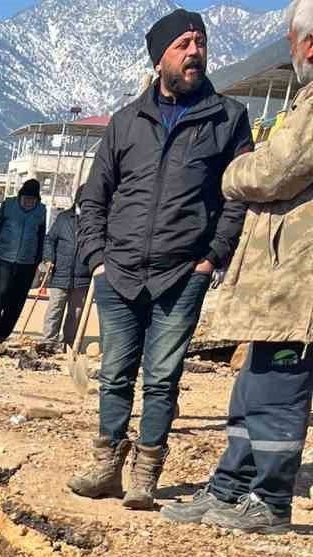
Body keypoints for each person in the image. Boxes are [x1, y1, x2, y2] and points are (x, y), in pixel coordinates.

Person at [71, 8, 253, 509]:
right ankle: (106, 464)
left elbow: (236, 199)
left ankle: (146, 473)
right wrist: (97, 259)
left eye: (200, 41)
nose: (195, 51)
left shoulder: (228, 119)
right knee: (114, 373)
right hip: (120, 271)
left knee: (162, 377)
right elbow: (95, 197)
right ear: (160, 59)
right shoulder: (126, 122)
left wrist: (212, 257)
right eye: (183, 44)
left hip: (182, 272)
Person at [163, 0, 313, 533]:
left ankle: (269, 500)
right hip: (276, 284)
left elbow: (279, 170)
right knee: (252, 385)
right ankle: (229, 489)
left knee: (278, 389)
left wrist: (234, 171)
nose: (291, 53)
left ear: (308, 45)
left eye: (292, 43)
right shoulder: (303, 100)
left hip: (299, 284)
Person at [0, 180, 47, 343]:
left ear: (37, 200)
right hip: (3, 259)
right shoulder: (8, 206)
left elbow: (41, 237)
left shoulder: (41, 211)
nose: (28, 203)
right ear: (20, 196)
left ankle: (4, 333)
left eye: (32, 200)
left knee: (16, 300)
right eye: (25, 199)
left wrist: (37, 261)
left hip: (26, 263)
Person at [40, 195, 91, 350]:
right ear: (77, 201)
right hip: (60, 271)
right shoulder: (63, 218)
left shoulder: (95, 221)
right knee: (54, 308)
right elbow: (49, 240)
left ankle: (69, 344)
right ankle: (48, 342)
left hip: (82, 275)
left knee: (76, 313)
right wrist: (49, 258)